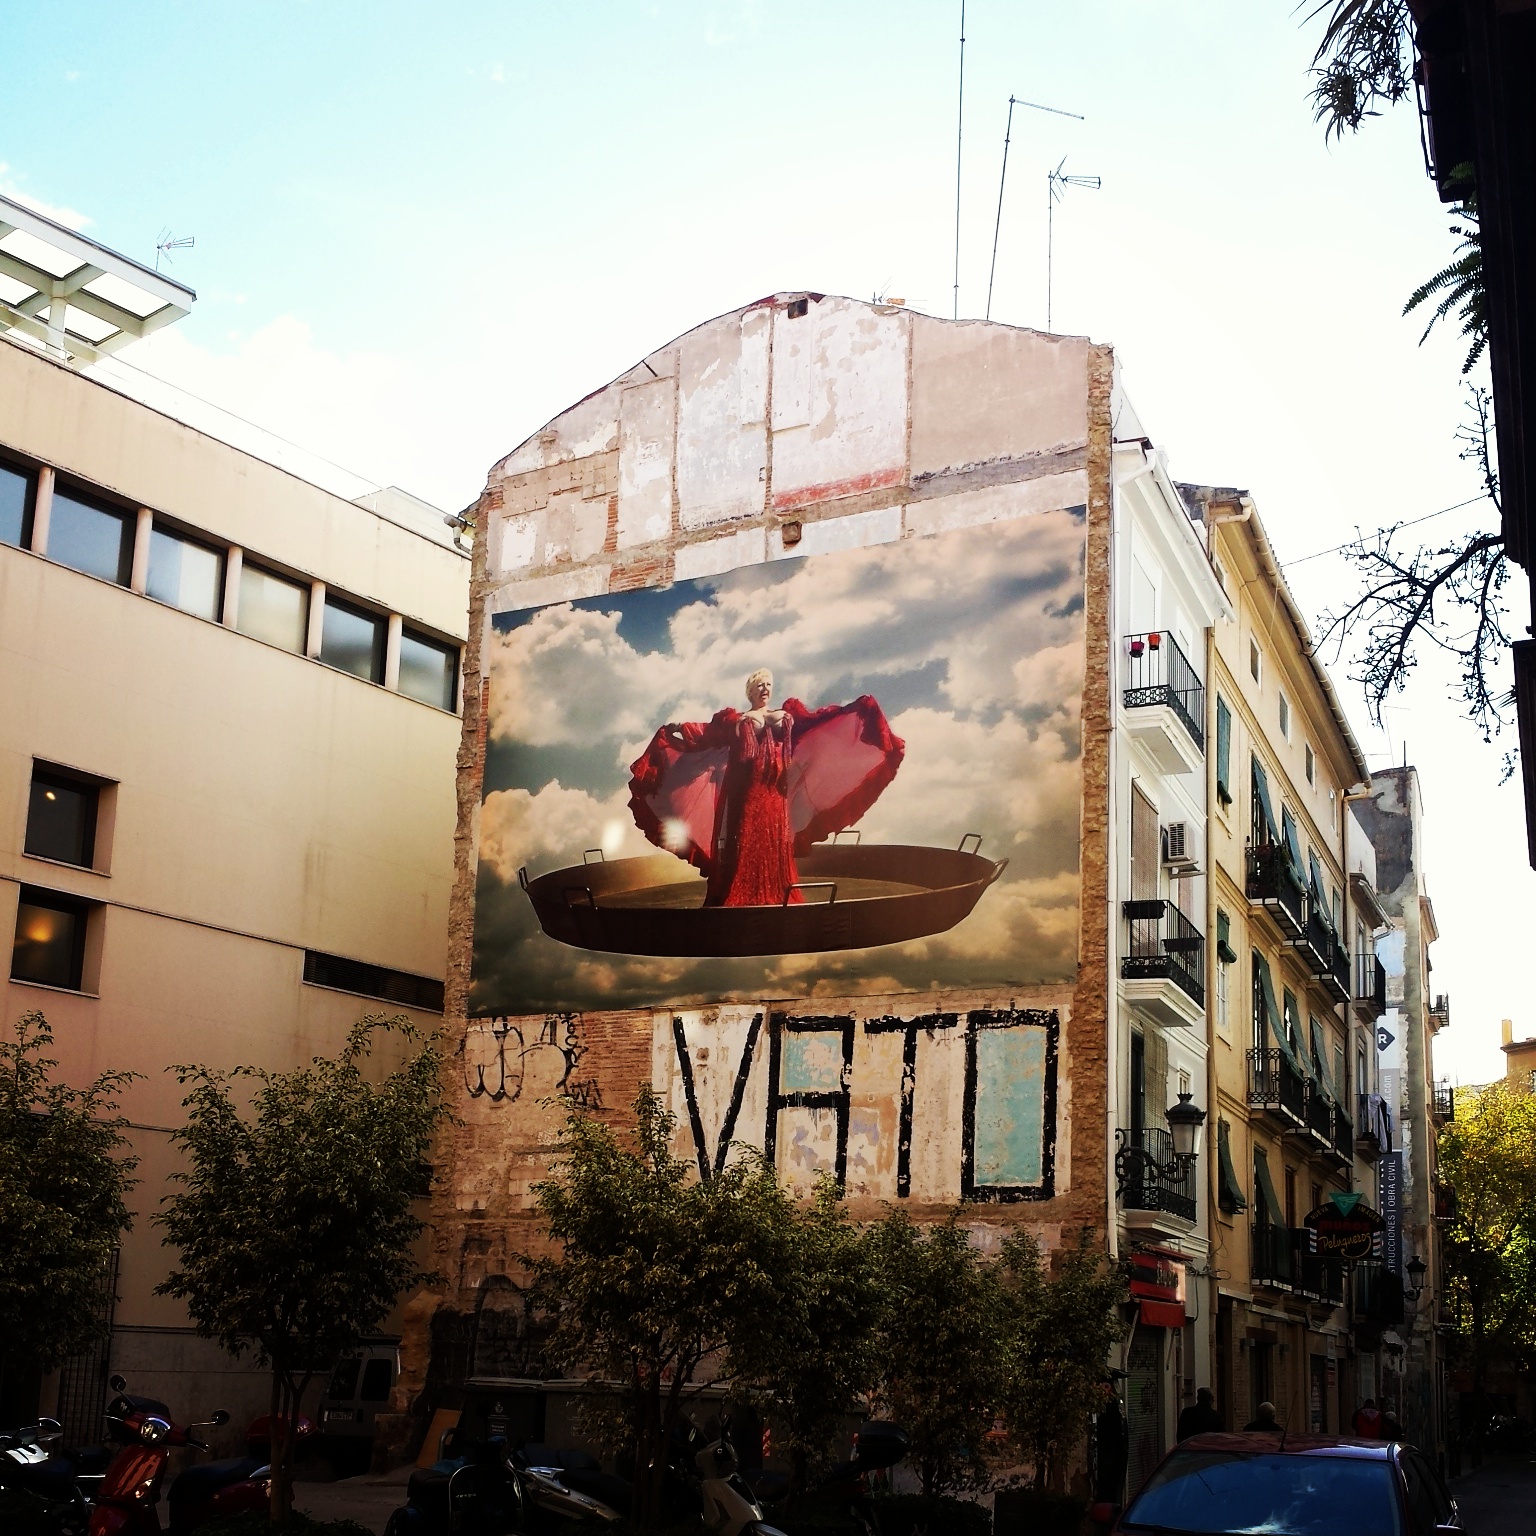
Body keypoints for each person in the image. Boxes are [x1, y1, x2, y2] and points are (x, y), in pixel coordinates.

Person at [629, 669, 904, 907]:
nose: (765, 689)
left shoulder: (786, 715)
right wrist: (679, 727)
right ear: (750, 690)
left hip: (775, 789)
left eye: (769, 684)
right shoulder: (735, 719)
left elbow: (817, 721)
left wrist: (856, 709)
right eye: (760, 685)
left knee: (774, 836)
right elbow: (708, 733)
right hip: (746, 788)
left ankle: (776, 888)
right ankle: (743, 890)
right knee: (746, 835)